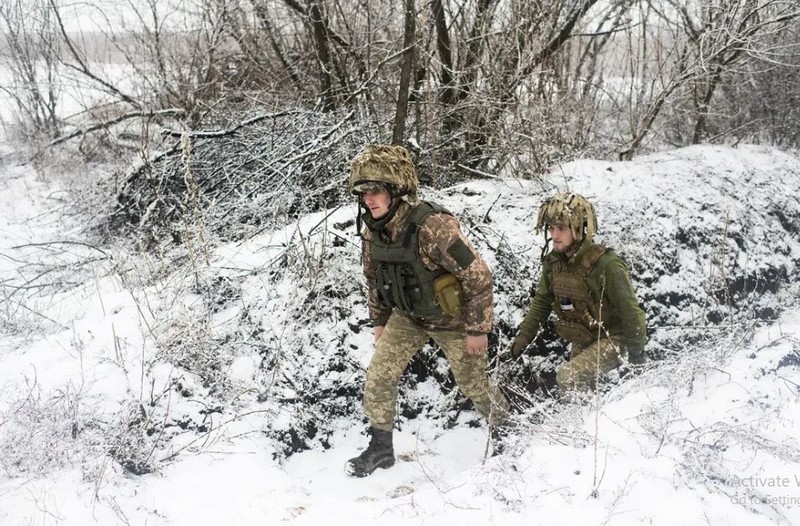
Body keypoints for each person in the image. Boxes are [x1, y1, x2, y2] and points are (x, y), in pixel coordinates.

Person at [345, 144, 510, 477]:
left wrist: (478, 329)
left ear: (395, 191)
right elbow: (373, 279)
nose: (369, 199)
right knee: (379, 375)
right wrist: (379, 322)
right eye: (363, 193)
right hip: (408, 318)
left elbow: (479, 277)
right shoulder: (372, 231)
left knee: (473, 382)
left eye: (376, 191)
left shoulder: (433, 227)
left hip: (453, 321)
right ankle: (381, 448)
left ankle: (509, 431)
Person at [510, 192, 647, 396]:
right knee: (576, 390)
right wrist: (524, 336)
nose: (554, 235)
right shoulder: (554, 263)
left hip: (613, 337)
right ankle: (581, 423)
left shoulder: (608, 265)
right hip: (583, 335)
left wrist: (637, 359)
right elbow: (542, 301)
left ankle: (581, 423)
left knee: (568, 377)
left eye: (562, 228)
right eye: (551, 228)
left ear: (580, 229)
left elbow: (631, 312)